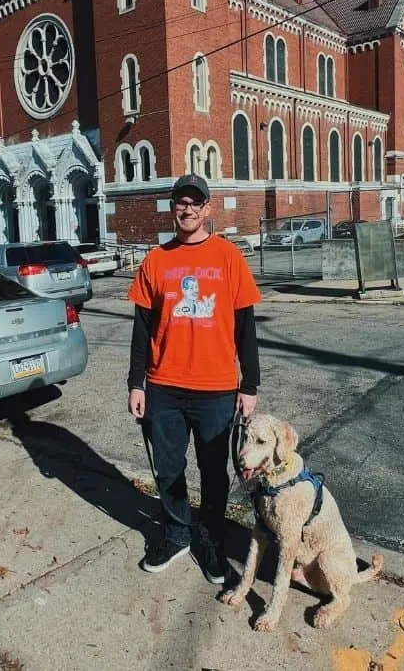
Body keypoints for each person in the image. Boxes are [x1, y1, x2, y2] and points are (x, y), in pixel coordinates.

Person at [127, 174, 261, 581]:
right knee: (168, 469)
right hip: (164, 386)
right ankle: (176, 532)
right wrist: (136, 383)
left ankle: (211, 539)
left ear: (207, 209)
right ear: (174, 209)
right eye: (179, 202)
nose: (186, 209)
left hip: (216, 388)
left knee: (213, 473)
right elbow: (141, 328)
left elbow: (245, 326)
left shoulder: (228, 256)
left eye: (194, 202)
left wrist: (249, 384)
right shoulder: (156, 261)